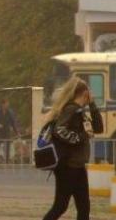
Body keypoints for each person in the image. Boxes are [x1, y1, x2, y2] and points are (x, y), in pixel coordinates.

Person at [42, 76, 105, 220]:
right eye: (89, 92)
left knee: (84, 207)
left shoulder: (79, 111)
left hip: (78, 166)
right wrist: (81, 136)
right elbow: (59, 130)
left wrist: (92, 105)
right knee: (60, 206)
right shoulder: (71, 109)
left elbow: (98, 128)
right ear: (85, 93)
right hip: (68, 167)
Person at [0, 98, 20, 163]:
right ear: (2, 104)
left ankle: (7, 162)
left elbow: (13, 122)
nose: (7, 105)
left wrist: (17, 132)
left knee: (7, 148)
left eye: (8, 104)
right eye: (6, 104)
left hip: (7, 132)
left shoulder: (10, 112)